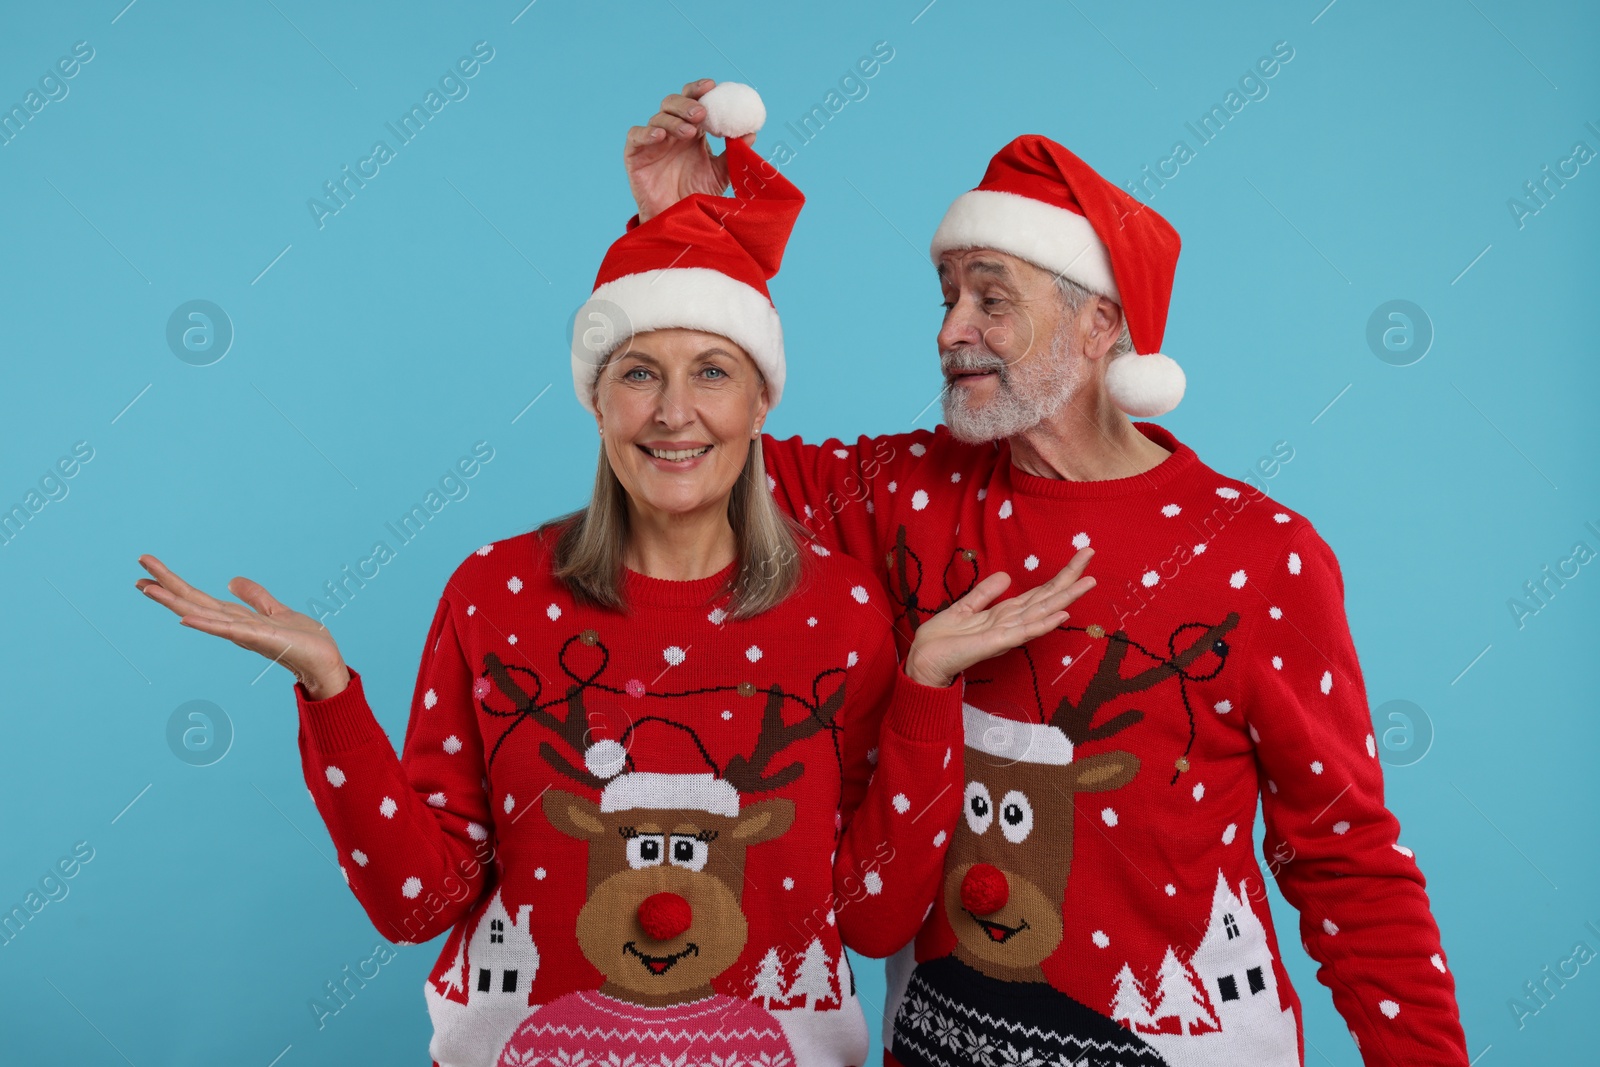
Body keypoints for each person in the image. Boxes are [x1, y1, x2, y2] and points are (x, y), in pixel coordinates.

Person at [133, 86, 1099, 1067]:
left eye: (712, 371)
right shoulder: (492, 594)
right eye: (638, 371)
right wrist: (329, 688)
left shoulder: (842, 611)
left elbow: (875, 915)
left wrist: (926, 694)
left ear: (762, 401)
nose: (673, 411)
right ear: (596, 398)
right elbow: (415, 901)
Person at [620, 80, 1470, 1066]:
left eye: (990, 298)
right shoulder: (908, 491)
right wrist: (683, 239)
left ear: (1098, 324)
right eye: (946, 299)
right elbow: (690, 464)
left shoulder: (1261, 555)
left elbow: (1345, 862)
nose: (949, 331)